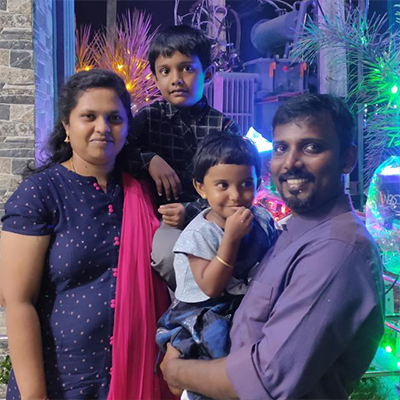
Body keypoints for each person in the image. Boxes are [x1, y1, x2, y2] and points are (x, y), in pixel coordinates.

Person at [160, 93, 385, 399]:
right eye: (281, 148)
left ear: (347, 158)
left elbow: (265, 378)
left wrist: (177, 372)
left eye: (311, 147)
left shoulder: (336, 249)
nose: (290, 163)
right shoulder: (292, 230)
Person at [0, 70, 174, 400]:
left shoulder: (143, 192)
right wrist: (35, 395)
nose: (103, 128)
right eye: (89, 116)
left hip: (135, 376)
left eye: (114, 118)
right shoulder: (40, 193)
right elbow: (17, 301)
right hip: (61, 383)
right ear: (67, 125)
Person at [156, 133, 276, 399]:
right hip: (203, 311)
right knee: (213, 361)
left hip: (243, 304)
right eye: (223, 185)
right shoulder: (199, 233)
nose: (236, 195)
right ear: (201, 188)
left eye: (246, 184)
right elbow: (210, 287)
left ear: (258, 182)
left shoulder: (262, 219)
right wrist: (231, 239)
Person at [130, 24, 241, 290]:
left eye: (187, 68)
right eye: (165, 71)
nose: (176, 79)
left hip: (214, 215)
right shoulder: (149, 118)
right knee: (168, 258)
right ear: (155, 78)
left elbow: (235, 182)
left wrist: (190, 211)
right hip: (162, 219)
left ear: (207, 73)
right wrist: (149, 159)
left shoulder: (223, 127)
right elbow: (120, 152)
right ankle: (192, 306)